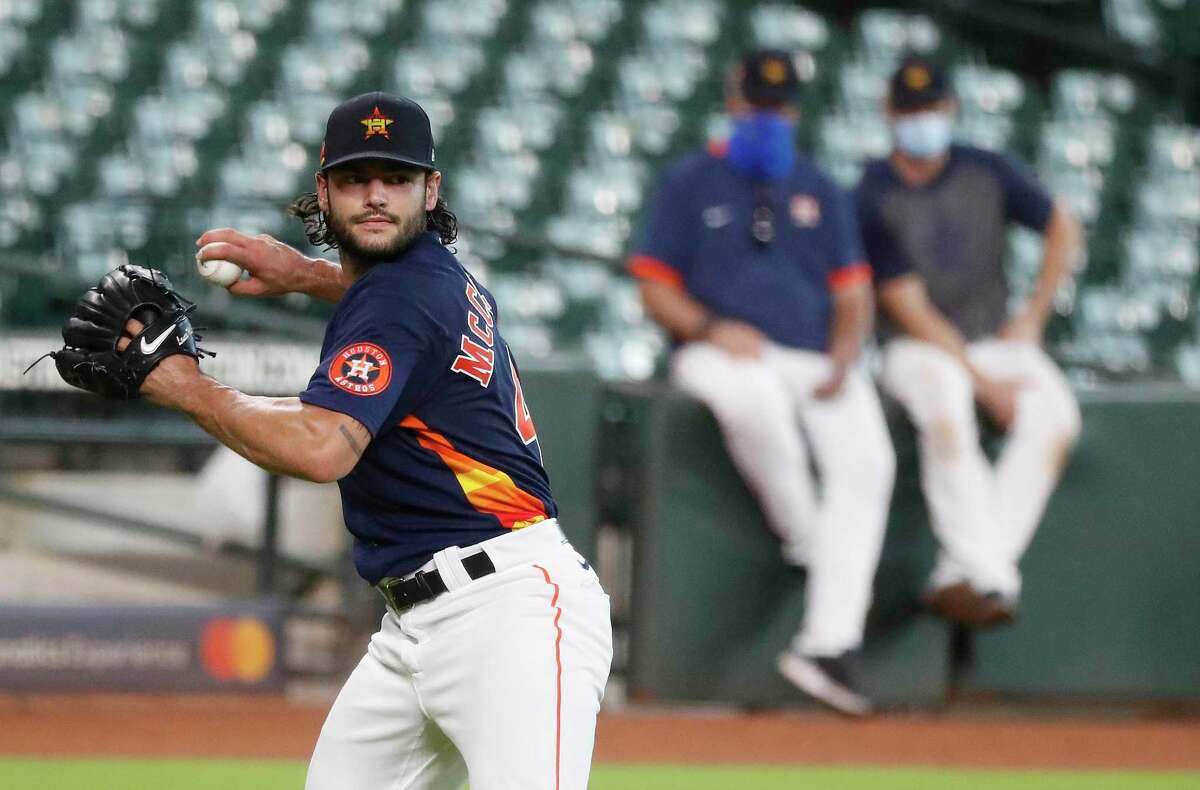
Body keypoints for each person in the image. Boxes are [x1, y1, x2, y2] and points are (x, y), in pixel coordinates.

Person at [127, 92, 613, 789]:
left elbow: (322, 449)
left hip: (512, 618)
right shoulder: (435, 278)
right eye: (356, 180)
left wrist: (182, 385)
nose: (377, 196)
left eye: (397, 178)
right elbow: (385, 299)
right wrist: (303, 274)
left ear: (430, 189)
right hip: (418, 626)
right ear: (323, 192)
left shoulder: (399, 299)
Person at [628, 51, 896, 717]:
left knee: (870, 461)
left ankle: (829, 645)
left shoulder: (818, 185)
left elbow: (854, 289)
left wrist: (844, 350)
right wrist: (713, 326)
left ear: (793, 111)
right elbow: (654, 286)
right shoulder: (691, 180)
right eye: (757, 104)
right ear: (733, 101)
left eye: (778, 106)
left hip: (814, 357)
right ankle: (808, 535)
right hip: (718, 349)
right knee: (751, 397)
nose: (767, 116)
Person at [855, 56, 1083, 627]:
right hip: (914, 346)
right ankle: (990, 576)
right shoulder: (870, 192)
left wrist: (1035, 315)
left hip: (992, 336)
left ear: (950, 108)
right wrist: (985, 384)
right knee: (948, 407)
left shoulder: (987, 170)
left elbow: (1063, 225)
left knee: (1055, 416)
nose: (921, 119)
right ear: (889, 113)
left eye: (930, 107)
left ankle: (966, 571)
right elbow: (908, 307)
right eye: (909, 110)